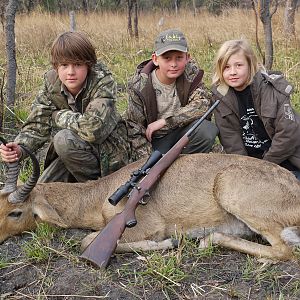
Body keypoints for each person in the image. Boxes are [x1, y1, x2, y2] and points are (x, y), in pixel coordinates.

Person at [0, 31, 131, 183]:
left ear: (88, 65)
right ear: (56, 67)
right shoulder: (52, 83)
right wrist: (20, 149)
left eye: (77, 64)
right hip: (73, 154)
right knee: (42, 191)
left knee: (63, 140)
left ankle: (98, 191)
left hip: (110, 154)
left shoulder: (102, 81)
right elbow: (37, 126)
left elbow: (93, 129)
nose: (71, 72)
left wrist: (58, 116)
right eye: (64, 65)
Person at [212, 39, 300, 180]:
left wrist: (265, 166)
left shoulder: (271, 89)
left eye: (239, 65)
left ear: (250, 64)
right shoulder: (221, 97)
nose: (232, 72)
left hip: (283, 158)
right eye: (226, 67)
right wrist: (246, 169)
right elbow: (230, 139)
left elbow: (287, 134)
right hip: (251, 162)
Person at [125, 29, 219, 160]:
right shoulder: (139, 85)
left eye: (179, 58)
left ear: (187, 58)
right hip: (154, 142)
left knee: (206, 130)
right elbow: (134, 130)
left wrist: (165, 121)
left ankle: (185, 166)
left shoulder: (191, 75)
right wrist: (148, 161)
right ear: (155, 59)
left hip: (182, 134)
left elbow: (202, 105)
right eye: (167, 58)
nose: (173, 64)